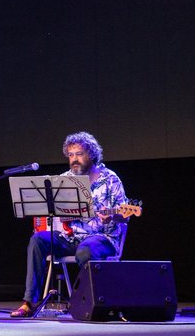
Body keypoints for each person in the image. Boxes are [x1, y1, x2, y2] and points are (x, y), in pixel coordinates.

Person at [10, 131, 129, 317]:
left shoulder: (110, 179)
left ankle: (92, 302)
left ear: (92, 154)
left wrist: (113, 217)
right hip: (70, 237)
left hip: (101, 239)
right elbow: (53, 208)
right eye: (71, 155)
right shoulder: (64, 179)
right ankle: (30, 302)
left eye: (79, 154)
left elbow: (125, 216)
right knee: (37, 241)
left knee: (86, 250)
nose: (74, 159)